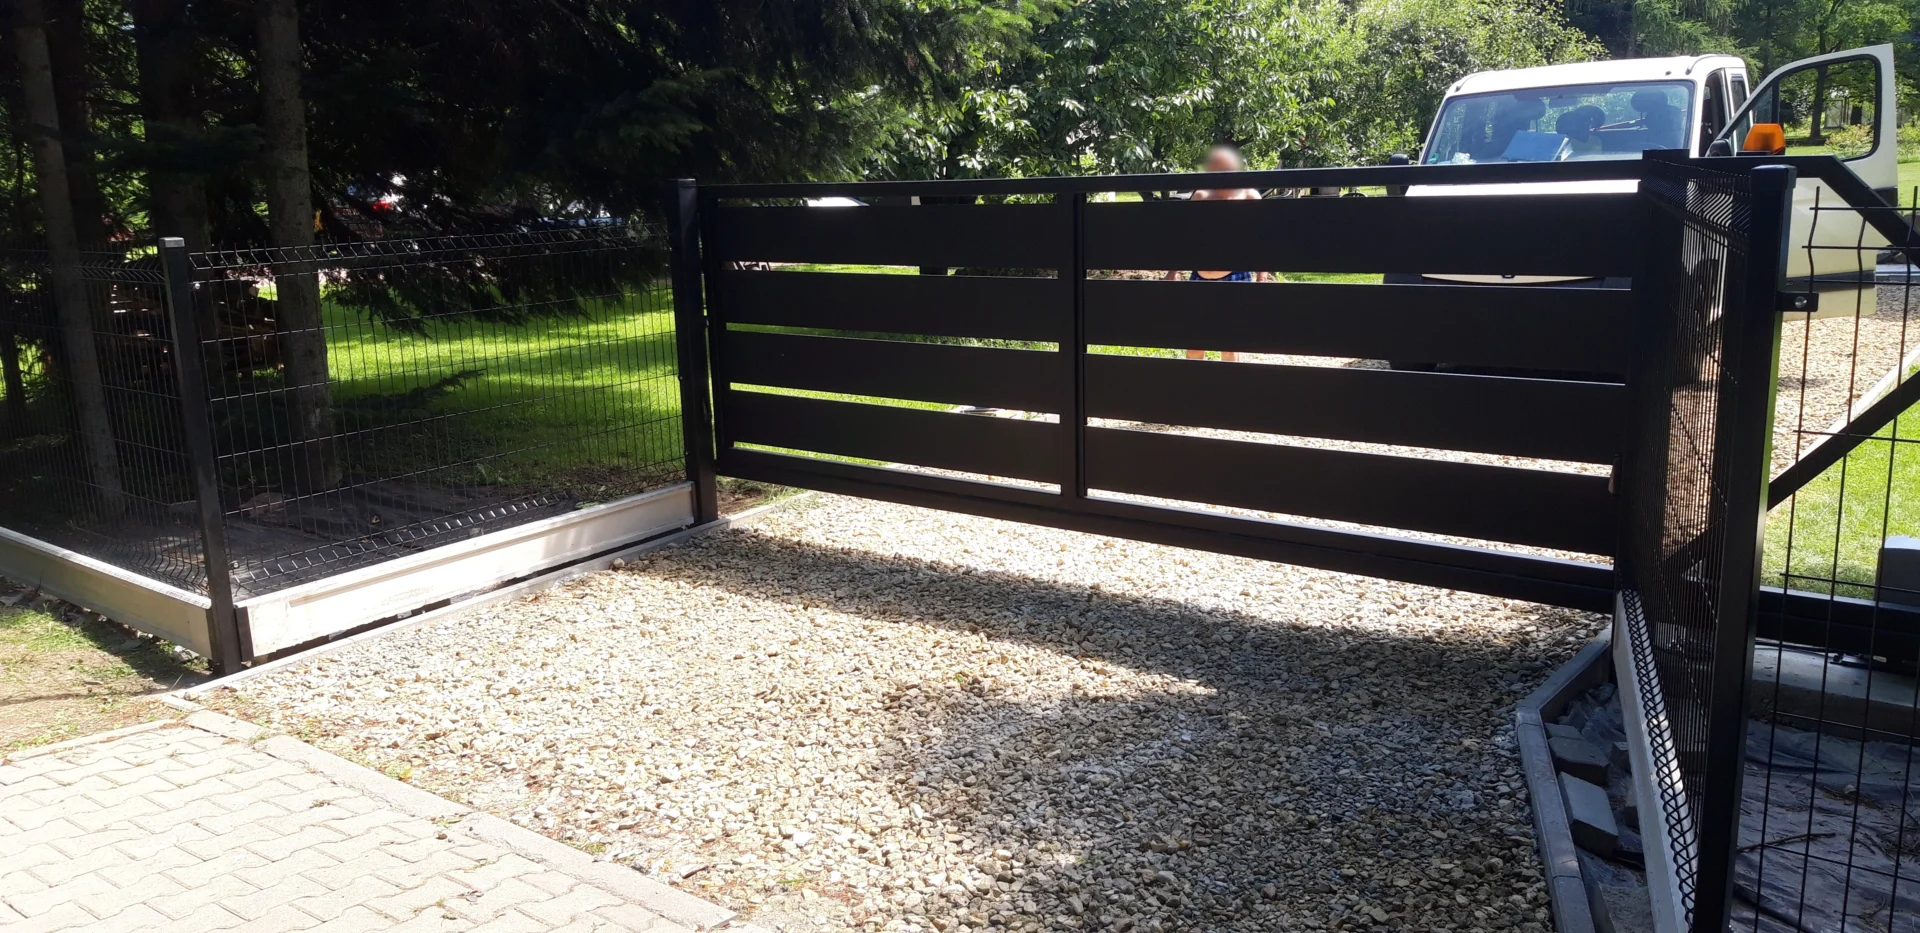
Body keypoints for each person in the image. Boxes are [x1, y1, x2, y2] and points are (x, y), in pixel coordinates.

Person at [1168, 145, 1271, 361]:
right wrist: (1172, 271)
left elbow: (1261, 238)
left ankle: (1230, 382)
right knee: (1194, 343)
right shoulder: (1201, 195)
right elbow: (1185, 236)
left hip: (1236, 276)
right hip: (1200, 277)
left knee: (1229, 345)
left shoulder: (1250, 196)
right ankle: (1194, 381)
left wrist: (1261, 276)